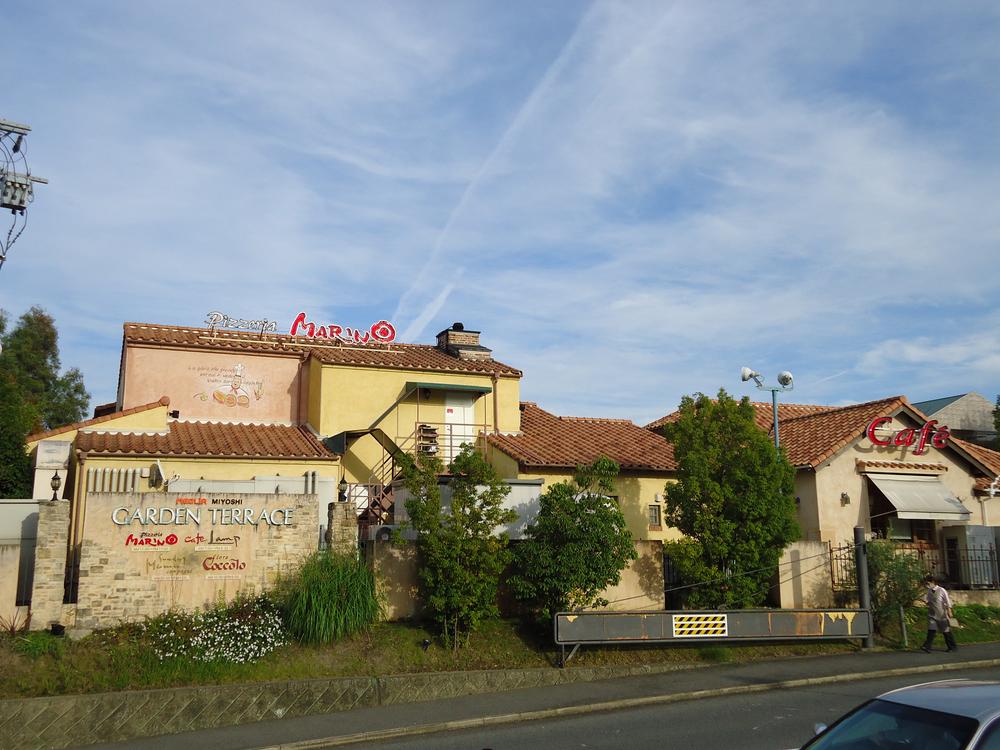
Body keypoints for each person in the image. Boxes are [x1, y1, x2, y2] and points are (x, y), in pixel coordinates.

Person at [920, 574, 957, 653]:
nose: (927, 585)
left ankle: (952, 646)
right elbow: (929, 601)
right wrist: (925, 602)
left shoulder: (941, 590)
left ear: (933, 582)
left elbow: (947, 601)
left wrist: (949, 611)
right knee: (931, 630)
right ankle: (927, 646)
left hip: (941, 614)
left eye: (928, 583)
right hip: (932, 613)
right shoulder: (929, 591)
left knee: (946, 631)